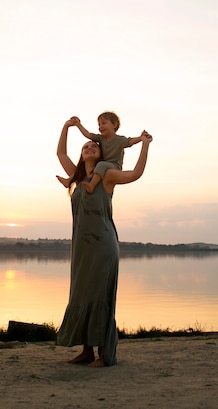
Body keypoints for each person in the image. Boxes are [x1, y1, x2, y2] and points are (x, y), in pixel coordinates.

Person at [55, 117, 152, 367]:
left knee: (99, 296)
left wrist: (145, 145)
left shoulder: (107, 175)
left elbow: (136, 173)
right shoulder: (76, 176)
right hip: (81, 248)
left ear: (101, 154)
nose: (89, 148)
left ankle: (104, 355)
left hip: (103, 245)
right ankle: (86, 352)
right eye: (85, 147)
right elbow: (61, 153)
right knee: (82, 295)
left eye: (94, 147)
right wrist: (67, 127)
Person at [56, 111, 143, 194]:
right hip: (102, 166)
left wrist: (142, 139)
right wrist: (74, 125)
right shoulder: (80, 177)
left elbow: (130, 142)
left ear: (114, 125)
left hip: (113, 166)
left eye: (104, 123)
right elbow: (87, 135)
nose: (100, 126)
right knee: (95, 167)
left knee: (101, 164)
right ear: (82, 157)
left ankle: (92, 185)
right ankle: (70, 180)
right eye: (86, 147)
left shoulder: (108, 175)